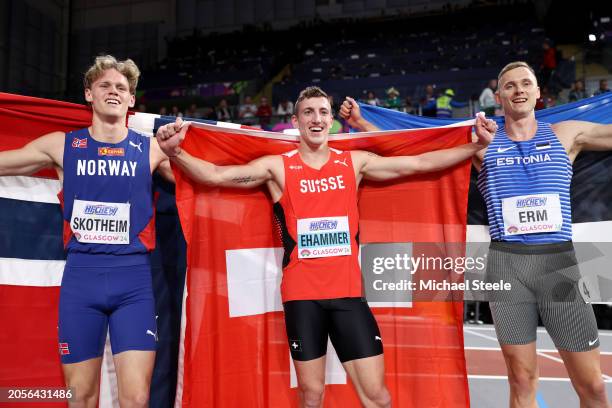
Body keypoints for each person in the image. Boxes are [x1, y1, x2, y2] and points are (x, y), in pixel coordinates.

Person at [156, 86, 496, 408]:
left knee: (378, 397)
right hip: (303, 299)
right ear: (296, 121)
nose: (316, 119)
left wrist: (472, 146)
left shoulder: (354, 162)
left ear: (331, 118)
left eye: (322, 112)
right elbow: (216, 175)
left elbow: (419, 164)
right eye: (308, 112)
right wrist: (176, 152)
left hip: (348, 296)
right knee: (312, 396)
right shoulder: (278, 168)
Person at [348, 61, 612, 408]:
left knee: (592, 386)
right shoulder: (482, 143)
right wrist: (363, 123)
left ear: (537, 93)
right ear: (498, 97)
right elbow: (416, 151)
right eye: (510, 86)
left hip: (559, 266)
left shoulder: (567, 133)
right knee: (521, 380)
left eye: (525, 83)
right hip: (507, 269)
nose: (518, 90)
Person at [0, 55, 173, 407]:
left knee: (137, 399)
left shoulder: (153, 149)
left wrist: (180, 152)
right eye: (105, 85)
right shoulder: (62, 146)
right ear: (88, 94)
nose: (113, 91)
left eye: (121, 87)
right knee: (80, 397)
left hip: (134, 284)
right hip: (81, 281)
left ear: (131, 100)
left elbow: (205, 180)